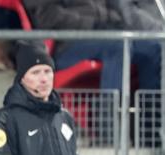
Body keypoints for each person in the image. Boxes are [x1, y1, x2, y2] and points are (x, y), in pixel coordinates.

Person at [23, 0, 162, 91]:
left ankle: (148, 132)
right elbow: (46, 17)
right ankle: (109, 131)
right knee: (117, 46)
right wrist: (92, 24)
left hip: (104, 36)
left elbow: (111, 11)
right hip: (66, 45)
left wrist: (113, 22)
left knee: (153, 48)